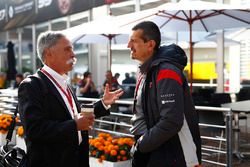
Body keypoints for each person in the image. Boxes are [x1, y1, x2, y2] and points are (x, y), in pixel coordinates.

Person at [18, 31, 123, 167]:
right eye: (67, 49)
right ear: (49, 53)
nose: (73, 55)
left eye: (72, 49)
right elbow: (34, 130)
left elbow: (74, 115)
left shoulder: (63, 82)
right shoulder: (31, 85)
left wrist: (103, 104)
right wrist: (74, 126)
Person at [127, 21, 201, 167]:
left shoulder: (166, 71)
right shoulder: (146, 70)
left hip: (175, 154)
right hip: (154, 149)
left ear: (150, 44)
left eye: (133, 41)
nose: (128, 45)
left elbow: (171, 121)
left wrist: (142, 145)